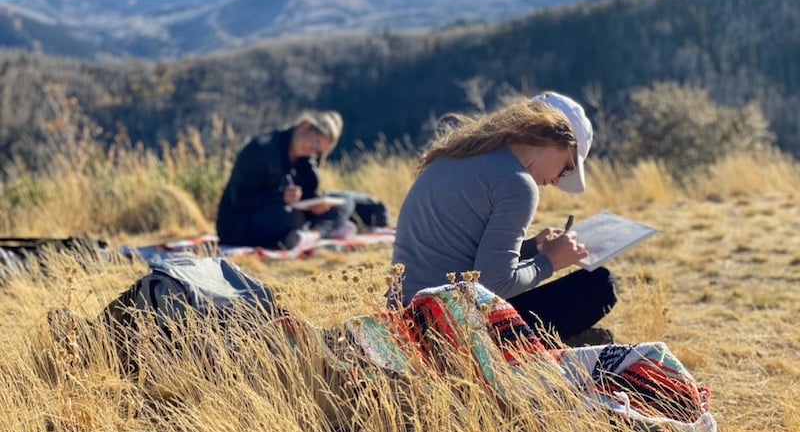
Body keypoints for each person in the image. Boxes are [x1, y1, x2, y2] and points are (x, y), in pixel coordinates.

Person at [390, 92, 618, 346]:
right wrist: (549, 261)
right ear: (557, 141)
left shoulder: (454, 156)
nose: (556, 181)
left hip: (406, 317)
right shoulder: (517, 183)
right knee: (598, 285)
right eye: (566, 168)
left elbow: (464, 257)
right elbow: (494, 285)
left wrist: (533, 248)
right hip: (452, 331)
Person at [216, 110, 359, 249]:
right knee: (292, 216)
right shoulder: (261, 150)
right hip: (240, 226)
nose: (313, 151)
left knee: (345, 201)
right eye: (315, 143)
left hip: (286, 213)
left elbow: (308, 193)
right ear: (304, 125)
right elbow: (240, 200)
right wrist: (279, 196)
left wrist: (314, 204)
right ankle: (323, 230)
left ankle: (313, 235)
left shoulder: (305, 159)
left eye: (318, 151)